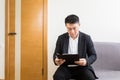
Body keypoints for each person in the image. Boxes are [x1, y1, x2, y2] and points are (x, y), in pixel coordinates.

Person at [53, 14, 98, 80]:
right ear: (66, 26)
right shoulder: (61, 38)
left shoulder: (86, 38)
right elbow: (56, 54)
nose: (72, 31)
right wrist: (56, 60)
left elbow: (93, 55)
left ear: (79, 25)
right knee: (57, 77)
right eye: (69, 29)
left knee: (90, 78)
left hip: (82, 68)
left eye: (74, 28)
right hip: (66, 68)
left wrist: (86, 61)